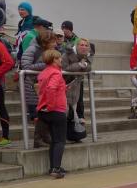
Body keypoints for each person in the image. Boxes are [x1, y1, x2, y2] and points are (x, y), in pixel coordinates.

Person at [36, 50, 68, 178]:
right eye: (59, 58)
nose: (61, 60)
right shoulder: (56, 73)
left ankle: (53, 167)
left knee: (54, 141)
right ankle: (56, 168)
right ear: (54, 60)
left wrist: (64, 88)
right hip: (55, 110)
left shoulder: (43, 73)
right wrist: (51, 106)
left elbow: (45, 89)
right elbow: (51, 88)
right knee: (59, 141)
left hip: (43, 110)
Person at [21, 30, 57, 129]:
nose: (55, 44)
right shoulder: (32, 49)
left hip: (46, 87)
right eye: (52, 42)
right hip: (33, 87)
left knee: (46, 118)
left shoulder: (51, 50)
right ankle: (40, 136)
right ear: (45, 42)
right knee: (37, 118)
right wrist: (47, 65)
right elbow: (26, 66)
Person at [61, 38, 93, 141]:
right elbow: (64, 69)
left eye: (86, 45)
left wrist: (85, 65)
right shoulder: (67, 54)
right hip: (63, 86)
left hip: (76, 86)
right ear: (76, 46)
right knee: (65, 111)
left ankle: (72, 135)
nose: (84, 47)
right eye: (81, 45)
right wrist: (79, 65)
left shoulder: (86, 56)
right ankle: (61, 136)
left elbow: (89, 67)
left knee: (74, 110)